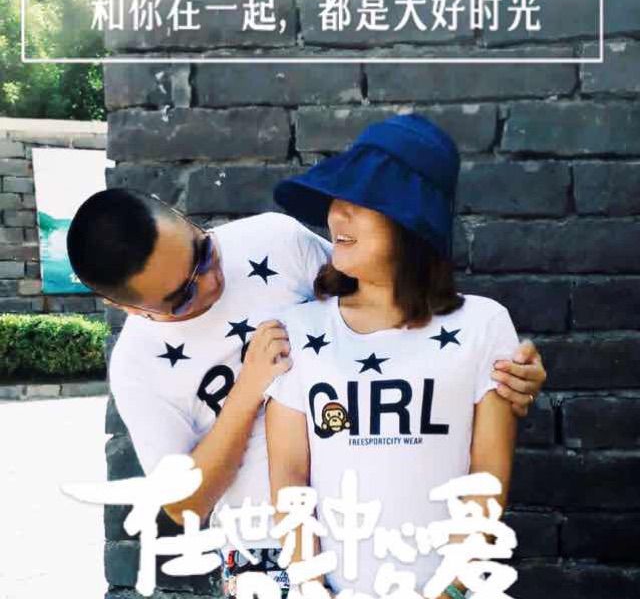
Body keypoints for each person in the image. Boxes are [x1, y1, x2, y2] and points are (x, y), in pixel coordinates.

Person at [66, 133, 546, 597]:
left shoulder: (273, 241)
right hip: (262, 546)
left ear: (180, 216)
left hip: (380, 531)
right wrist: (249, 389)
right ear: (128, 308)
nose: (211, 282)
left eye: (204, 251)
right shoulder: (137, 367)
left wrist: (500, 372)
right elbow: (184, 505)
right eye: (183, 296)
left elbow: (381, 292)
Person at [265, 113, 525, 599]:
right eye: (336, 197)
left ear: (411, 220)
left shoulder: (483, 325)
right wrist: (311, 586)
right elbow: (289, 476)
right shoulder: (297, 330)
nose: (337, 214)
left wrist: (451, 591)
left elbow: (486, 476)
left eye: (361, 201)